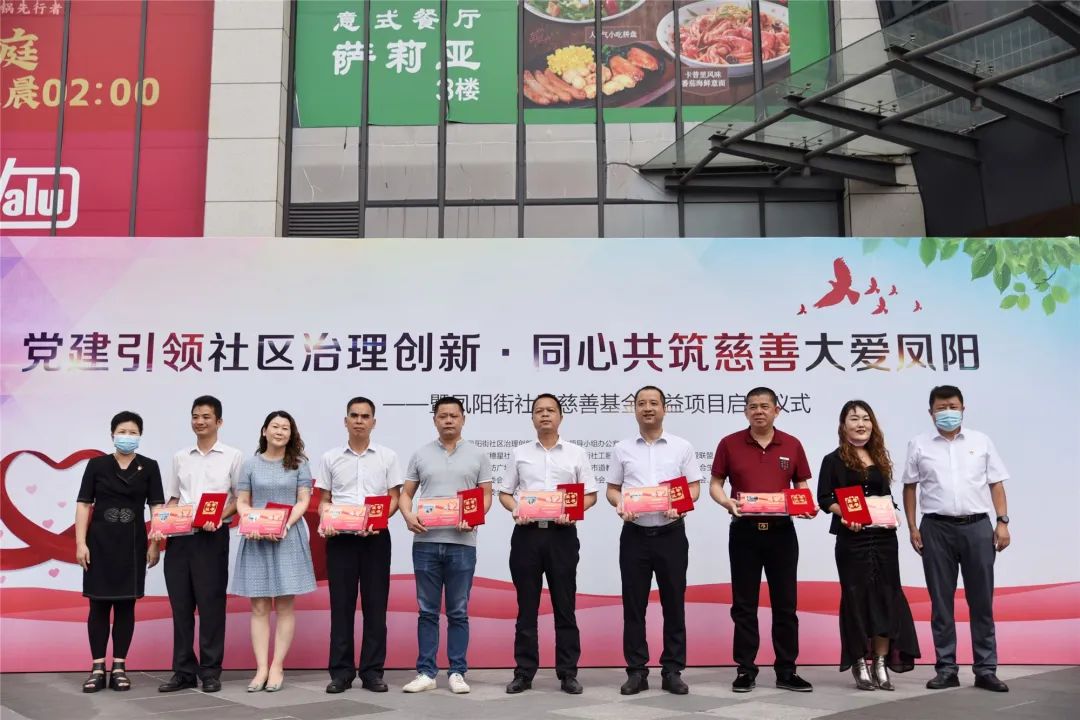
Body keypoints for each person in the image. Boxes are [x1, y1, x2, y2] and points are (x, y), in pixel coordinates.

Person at [903, 385, 1011, 693]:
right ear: (931, 412)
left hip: (977, 527)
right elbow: (910, 487)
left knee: (981, 601)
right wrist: (912, 527)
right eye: (941, 407)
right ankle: (946, 668)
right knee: (941, 602)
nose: (947, 412)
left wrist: (1002, 522)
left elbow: (996, 484)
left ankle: (986, 669)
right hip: (935, 528)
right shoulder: (919, 444)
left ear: (963, 409)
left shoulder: (981, 441)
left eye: (952, 406)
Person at [710, 386, 815, 694]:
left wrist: (805, 506)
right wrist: (727, 502)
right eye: (753, 406)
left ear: (776, 410)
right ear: (746, 411)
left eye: (765, 406)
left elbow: (801, 484)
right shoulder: (729, 443)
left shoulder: (792, 444)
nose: (759, 411)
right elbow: (716, 484)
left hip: (782, 533)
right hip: (744, 532)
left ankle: (787, 670)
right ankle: (746, 669)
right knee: (744, 604)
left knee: (786, 604)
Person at [817, 400, 919, 691]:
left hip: (884, 539)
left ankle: (881, 663)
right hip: (852, 540)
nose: (860, 424)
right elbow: (824, 498)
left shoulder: (879, 457)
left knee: (887, 597)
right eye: (854, 419)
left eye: (865, 418)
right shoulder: (833, 459)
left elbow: (884, 496)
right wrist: (845, 514)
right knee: (856, 599)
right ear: (843, 425)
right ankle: (860, 661)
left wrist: (894, 512)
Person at [500, 394, 598, 695]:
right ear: (532, 418)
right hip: (527, 535)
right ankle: (523, 673)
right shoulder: (519, 453)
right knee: (526, 608)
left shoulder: (576, 454)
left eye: (550, 410)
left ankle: (568, 673)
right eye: (539, 411)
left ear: (560, 417)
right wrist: (516, 509)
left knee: (565, 607)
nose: (545, 415)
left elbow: (590, 494)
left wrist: (574, 511)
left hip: (562, 536)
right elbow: (505, 493)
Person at [607, 386, 701, 696]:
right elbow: (612, 489)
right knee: (634, 606)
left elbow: (694, 487)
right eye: (641, 403)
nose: (648, 408)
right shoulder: (622, 448)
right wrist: (621, 504)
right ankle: (636, 671)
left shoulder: (681, 447)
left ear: (664, 408)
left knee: (674, 603)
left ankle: (672, 670)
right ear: (634, 409)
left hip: (671, 533)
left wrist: (681, 505)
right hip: (634, 534)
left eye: (653, 403)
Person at [398, 396, 492, 694]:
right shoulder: (420, 454)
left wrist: (474, 518)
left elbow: (486, 495)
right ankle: (426, 672)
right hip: (425, 542)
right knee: (427, 611)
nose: (448, 420)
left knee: (458, 611)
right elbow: (405, 494)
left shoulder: (478, 455)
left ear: (463, 419)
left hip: (462, 544)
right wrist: (408, 515)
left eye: (454, 415)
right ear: (435, 420)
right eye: (442, 416)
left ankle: (457, 672)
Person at [317, 397, 403, 694]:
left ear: (373, 422)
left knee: (375, 607)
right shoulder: (330, 457)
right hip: (340, 540)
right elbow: (324, 499)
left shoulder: (387, 456)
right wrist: (326, 519)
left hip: (375, 539)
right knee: (341, 607)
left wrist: (378, 520)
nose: (359, 421)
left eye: (365, 416)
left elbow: (394, 497)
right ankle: (341, 673)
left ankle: (372, 672)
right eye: (354, 415)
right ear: (346, 421)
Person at [157, 395, 242, 694]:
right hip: (179, 539)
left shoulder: (233, 456)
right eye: (195, 416)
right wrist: (159, 531)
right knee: (181, 607)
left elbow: (239, 498)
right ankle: (183, 671)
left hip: (212, 537)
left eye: (206, 416)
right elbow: (173, 498)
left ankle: (210, 671)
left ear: (219, 421)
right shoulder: (181, 457)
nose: (200, 421)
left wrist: (219, 516)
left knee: (211, 606)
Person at [75, 411, 165, 693]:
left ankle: (119, 667)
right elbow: (83, 504)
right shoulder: (97, 465)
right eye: (122, 432)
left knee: (126, 606)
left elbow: (157, 507)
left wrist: (155, 543)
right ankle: (97, 668)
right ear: (112, 434)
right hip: (99, 544)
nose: (127, 436)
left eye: (133, 432)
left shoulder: (149, 467)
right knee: (98, 606)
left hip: (133, 544)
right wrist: (80, 543)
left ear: (140, 436)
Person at [232, 410, 316, 692]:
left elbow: (303, 501)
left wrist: (284, 525)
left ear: (291, 434)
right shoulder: (250, 464)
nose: (280, 432)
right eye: (275, 427)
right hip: (256, 537)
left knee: (284, 605)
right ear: (264, 430)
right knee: (258, 606)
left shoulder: (300, 464)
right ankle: (261, 669)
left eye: (285, 428)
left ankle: (277, 665)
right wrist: (250, 520)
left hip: (287, 537)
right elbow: (242, 501)